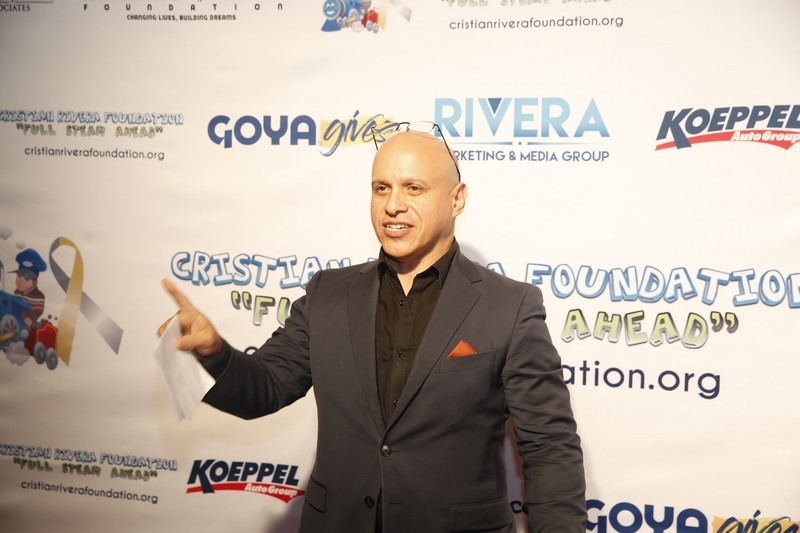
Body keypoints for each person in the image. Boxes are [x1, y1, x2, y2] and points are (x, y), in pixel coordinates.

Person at [160, 123, 586, 532]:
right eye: (381, 188)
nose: (392, 205)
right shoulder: (328, 293)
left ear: (457, 199)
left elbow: (550, 448)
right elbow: (265, 387)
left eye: (413, 188)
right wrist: (214, 353)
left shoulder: (510, 306)